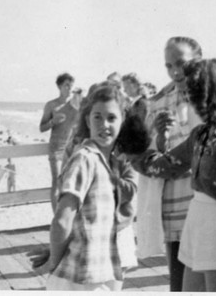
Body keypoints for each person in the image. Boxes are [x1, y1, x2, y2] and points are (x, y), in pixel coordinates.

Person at [132, 59, 216, 292]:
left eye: (194, 95)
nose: (190, 101)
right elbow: (166, 165)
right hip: (196, 225)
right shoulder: (201, 135)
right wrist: (134, 155)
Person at [30, 85, 139, 291]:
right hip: (79, 278)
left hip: (101, 268)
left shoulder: (109, 161)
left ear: (123, 120)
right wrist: (55, 263)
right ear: (87, 120)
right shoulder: (84, 158)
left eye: (111, 118)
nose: (104, 125)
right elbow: (62, 221)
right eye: (97, 117)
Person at [137, 36, 203, 292]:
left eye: (181, 63)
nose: (175, 71)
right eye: (168, 65)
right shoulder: (160, 102)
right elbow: (151, 157)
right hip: (174, 207)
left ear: (198, 59)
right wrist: (161, 138)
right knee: (179, 283)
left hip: (210, 204)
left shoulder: (215, 98)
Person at [39, 73, 80, 212]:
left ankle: (68, 215)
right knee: (57, 182)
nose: (69, 88)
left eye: (71, 85)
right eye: (66, 85)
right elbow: (41, 127)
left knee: (71, 183)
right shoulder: (51, 105)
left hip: (72, 149)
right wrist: (52, 122)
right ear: (59, 86)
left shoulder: (76, 104)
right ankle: (56, 216)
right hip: (56, 149)